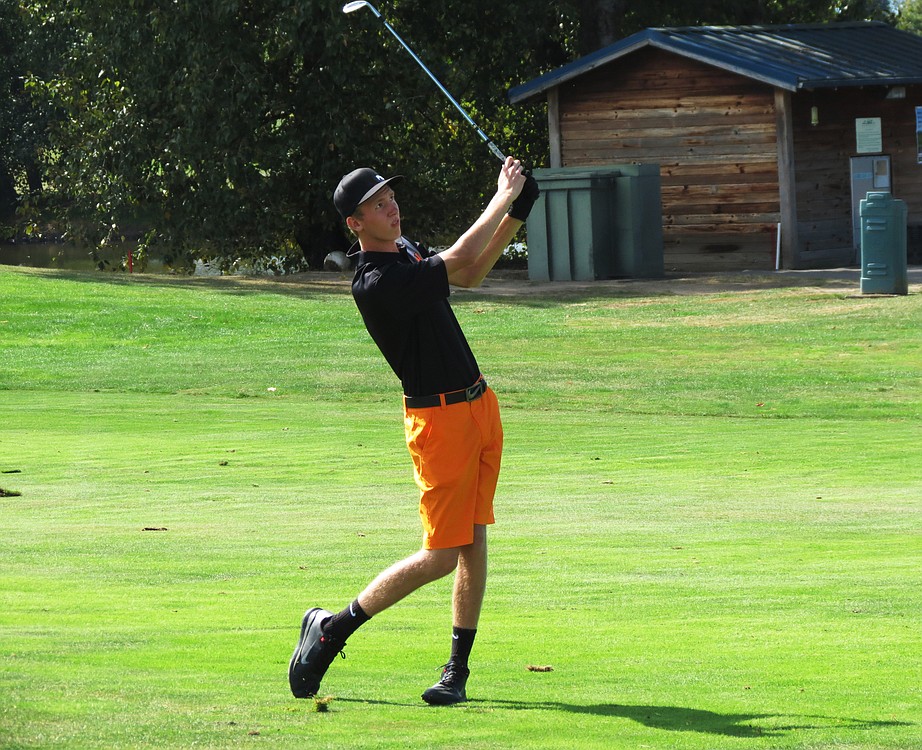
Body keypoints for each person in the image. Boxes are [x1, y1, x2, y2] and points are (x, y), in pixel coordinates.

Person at [288, 157, 539, 706]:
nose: (391, 207)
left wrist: (516, 213)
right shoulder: (376, 283)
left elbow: (469, 274)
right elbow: (463, 257)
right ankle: (331, 631)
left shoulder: (405, 250)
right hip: (439, 422)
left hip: (477, 405)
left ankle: (456, 674)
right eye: (377, 205)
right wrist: (502, 197)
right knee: (441, 554)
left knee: (473, 539)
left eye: (390, 197)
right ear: (355, 224)